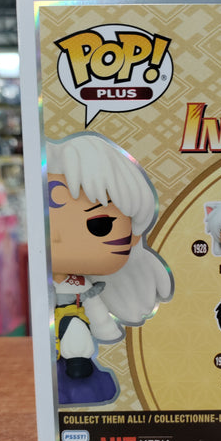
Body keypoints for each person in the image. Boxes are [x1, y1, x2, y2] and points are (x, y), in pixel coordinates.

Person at [47, 132, 173, 404]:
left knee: (76, 335)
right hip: (35, 346)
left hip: (73, 324)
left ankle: (78, 364)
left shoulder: (82, 284)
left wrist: (104, 328)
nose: (57, 238)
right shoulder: (36, 280)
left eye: (99, 225)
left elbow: (93, 305)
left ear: (134, 235)